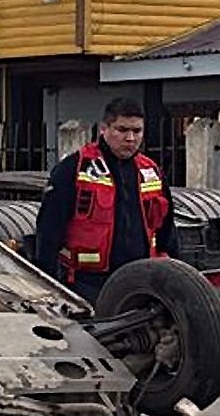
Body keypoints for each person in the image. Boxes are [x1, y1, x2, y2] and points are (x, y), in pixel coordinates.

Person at [35, 97, 179, 303]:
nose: (130, 138)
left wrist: (175, 274)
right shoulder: (74, 168)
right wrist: (47, 285)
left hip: (140, 281)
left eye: (137, 131)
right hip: (86, 284)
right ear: (104, 128)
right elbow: (49, 229)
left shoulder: (150, 171)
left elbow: (166, 228)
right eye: (122, 130)